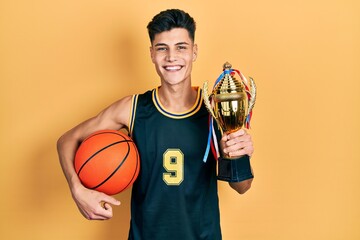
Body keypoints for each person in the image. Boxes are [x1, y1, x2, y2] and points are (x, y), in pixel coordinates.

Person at [57, 9, 254, 239]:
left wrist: (239, 154)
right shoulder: (133, 109)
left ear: (194, 52)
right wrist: (78, 190)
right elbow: (67, 140)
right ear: (151, 53)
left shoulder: (215, 109)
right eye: (162, 48)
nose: (171, 57)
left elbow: (243, 187)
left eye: (181, 47)